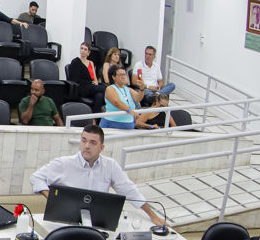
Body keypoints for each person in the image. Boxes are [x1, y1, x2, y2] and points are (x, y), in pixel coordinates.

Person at [30, 124, 167, 226]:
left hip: (97, 223)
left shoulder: (110, 165)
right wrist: (53, 199)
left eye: (92, 142)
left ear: (102, 147)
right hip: (65, 221)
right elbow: (36, 178)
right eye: (84, 140)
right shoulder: (64, 163)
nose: (87, 146)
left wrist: (152, 216)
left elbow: (129, 190)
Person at [102, 64, 155, 130]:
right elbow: (116, 102)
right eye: (121, 75)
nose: (123, 77)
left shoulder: (128, 89)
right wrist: (130, 110)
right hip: (112, 124)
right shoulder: (110, 88)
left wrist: (142, 89)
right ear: (113, 77)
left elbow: (138, 98)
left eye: (124, 74)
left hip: (129, 124)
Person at [68, 41, 104, 114]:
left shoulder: (91, 63)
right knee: (106, 89)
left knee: (100, 95)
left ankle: (94, 117)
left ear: (88, 52)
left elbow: (95, 78)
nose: (83, 51)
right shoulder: (75, 61)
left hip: (91, 86)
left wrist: (96, 83)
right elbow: (74, 79)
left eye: (85, 49)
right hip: (82, 87)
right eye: (81, 48)